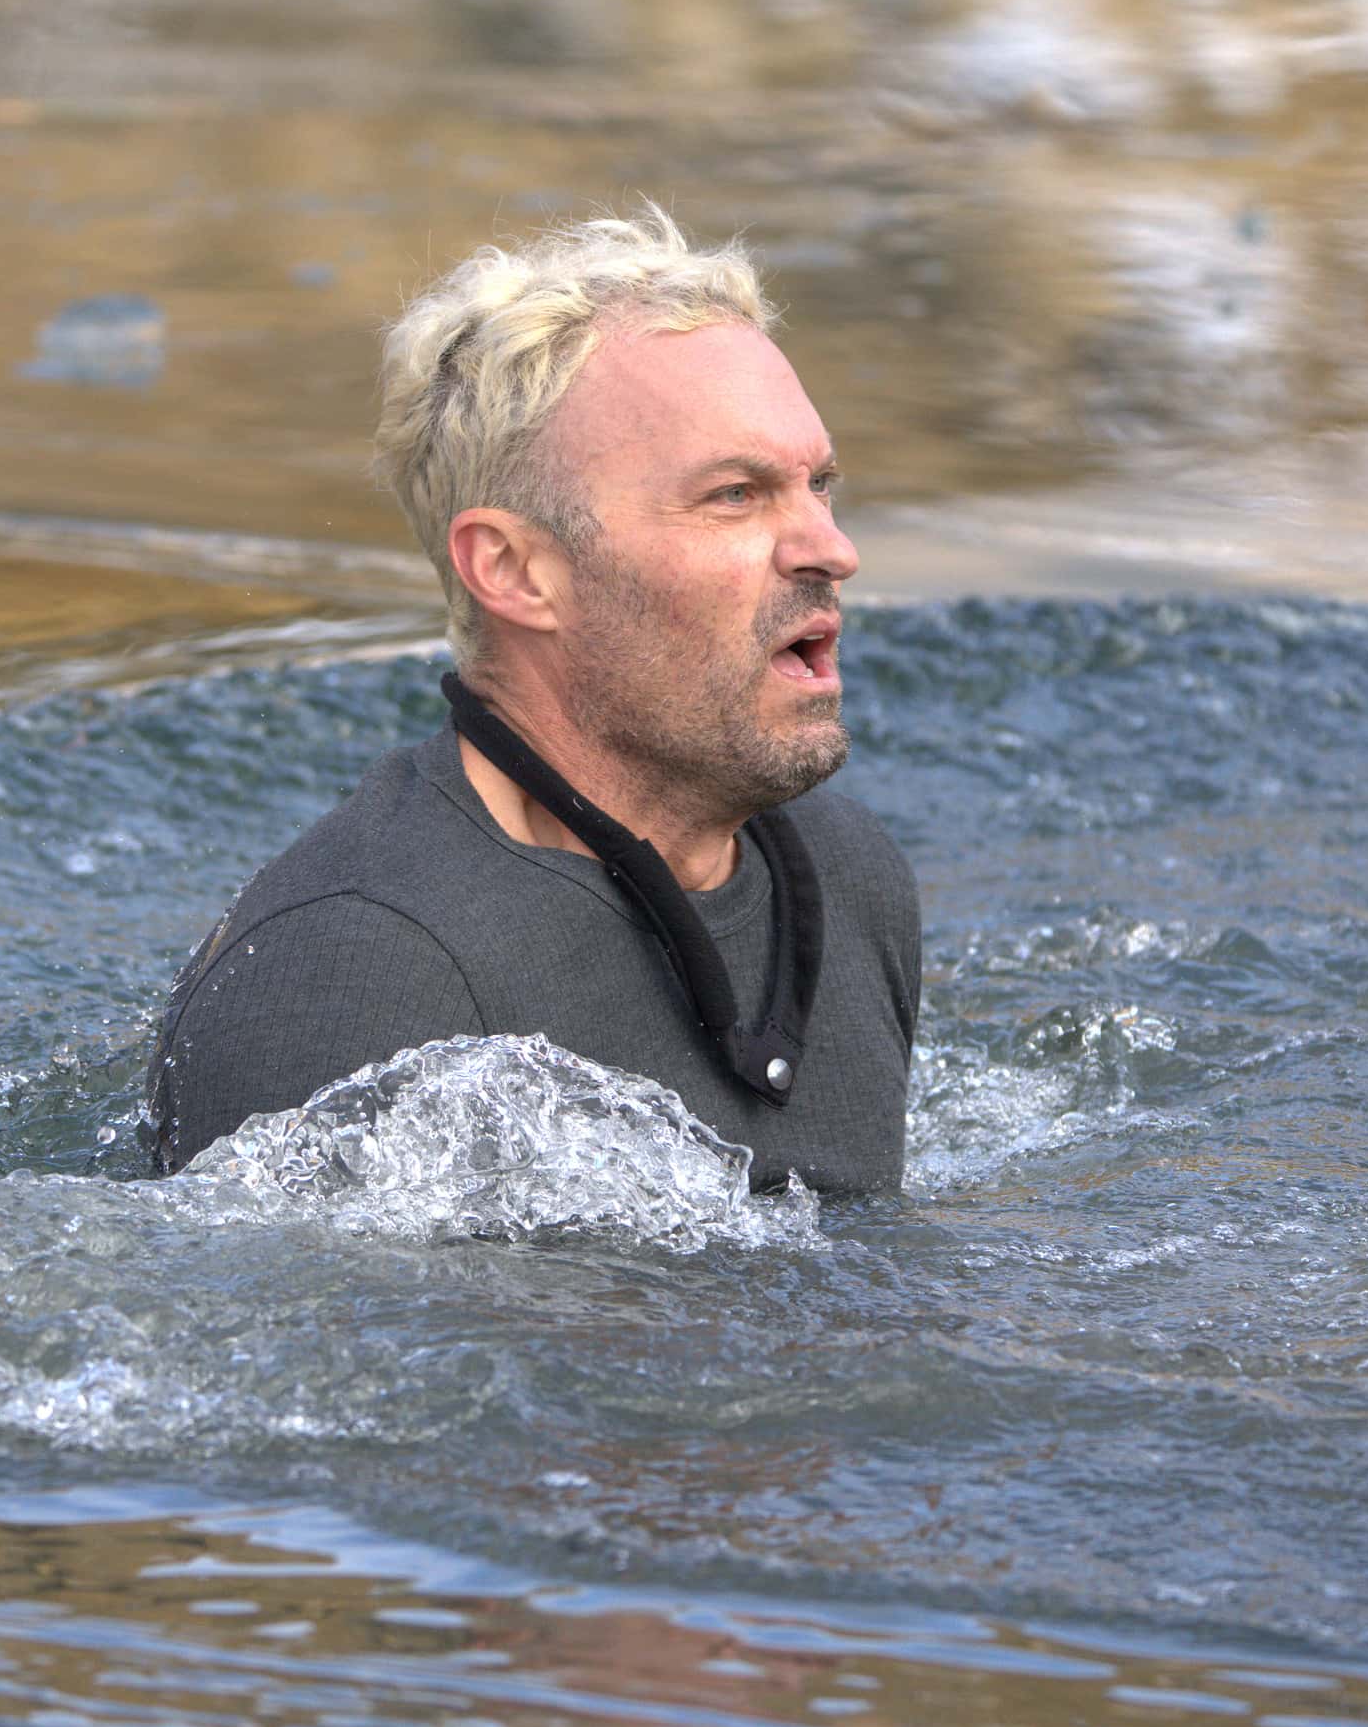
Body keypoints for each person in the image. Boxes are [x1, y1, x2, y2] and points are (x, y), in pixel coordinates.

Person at [146, 206, 918, 1194]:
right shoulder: (354, 974)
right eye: (736, 494)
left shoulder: (850, 883)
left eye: (820, 485)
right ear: (513, 571)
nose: (830, 548)